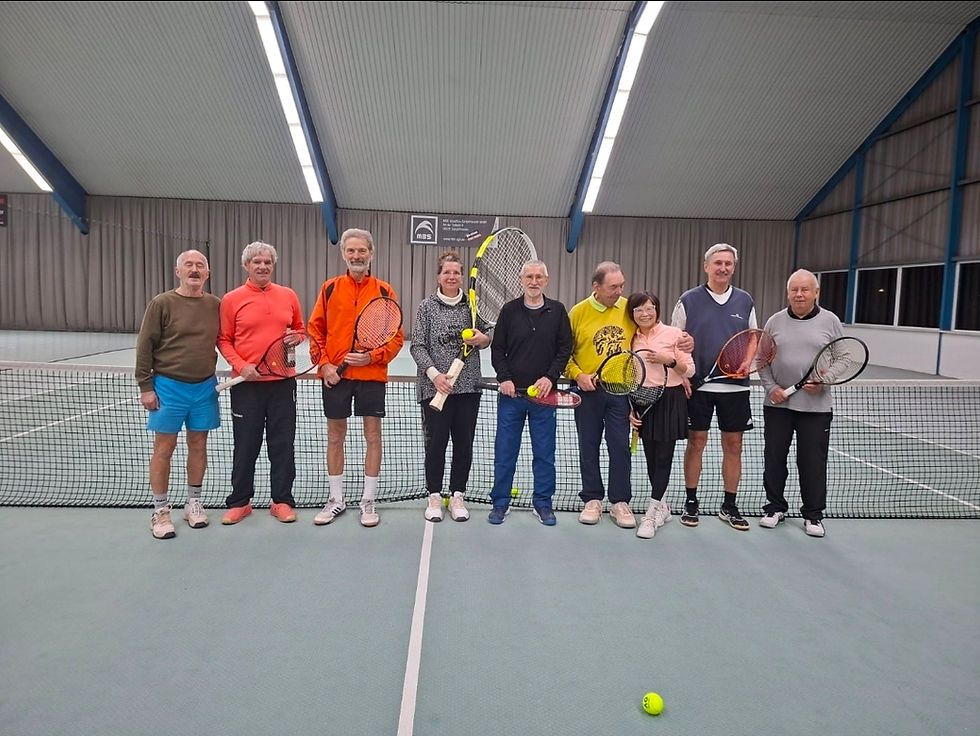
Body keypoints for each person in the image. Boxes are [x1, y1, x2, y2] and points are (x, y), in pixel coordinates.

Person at [307, 227, 404, 528]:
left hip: (372, 377)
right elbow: (315, 331)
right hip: (336, 376)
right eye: (351, 251)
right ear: (344, 254)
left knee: (373, 437)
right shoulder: (330, 288)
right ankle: (336, 499)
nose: (357, 255)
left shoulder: (385, 291)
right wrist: (324, 365)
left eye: (362, 250)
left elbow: (396, 338)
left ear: (371, 254)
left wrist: (371, 357)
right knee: (336, 437)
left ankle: (368, 500)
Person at [217, 241, 305, 525]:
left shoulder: (288, 295)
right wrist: (242, 366)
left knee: (282, 445)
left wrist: (297, 337)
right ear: (246, 266)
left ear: (273, 264)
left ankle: (282, 501)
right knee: (246, 445)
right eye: (257, 261)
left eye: (267, 261)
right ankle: (240, 502)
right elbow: (224, 339)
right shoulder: (231, 299)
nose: (263, 266)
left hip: (282, 383)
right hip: (246, 385)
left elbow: (300, 329)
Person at [671, 242, 757, 531]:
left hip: (736, 388)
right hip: (698, 387)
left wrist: (746, 362)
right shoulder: (689, 299)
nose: (723, 268)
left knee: (734, 446)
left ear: (733, 267)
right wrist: (683, 374)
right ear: (706, 266)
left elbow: (752, 337)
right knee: (696, 443)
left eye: (728, 264)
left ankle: (729, 505)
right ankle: (691, 501)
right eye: (718, 263)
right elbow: (675, 340)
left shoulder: (745, 300)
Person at [136, 249, 221, 540]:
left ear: (207, 274)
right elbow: (145, 345)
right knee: (164, 448)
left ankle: (193, 503)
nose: (194, 269)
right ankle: (160, 510)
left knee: (198, 445)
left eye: (200, 265)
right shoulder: (162, 303)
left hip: (204, 387)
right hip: (168, 387)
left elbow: (230, 340)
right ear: (178, 272)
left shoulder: (215, 305)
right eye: (189, 265)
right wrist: (145, 386)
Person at [757, 270, 843, 538]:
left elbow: (844, 358)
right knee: (774, 459)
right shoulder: (774, 321)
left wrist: (825, 380)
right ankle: (774, 508)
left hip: (815, 409)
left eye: (805, 289)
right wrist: (772, 389)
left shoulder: (830, 321)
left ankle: (813, 515)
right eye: (794, 289)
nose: (799, 294)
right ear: (788, 293)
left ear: (816, 293)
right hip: (778, 407)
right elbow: (762, 359)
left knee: (812, 462)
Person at [487, 259, 572, 525]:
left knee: (545, 454)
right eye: (529, 277)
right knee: (505, 452)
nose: (534, 282)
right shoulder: (509, 310)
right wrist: (505, 379)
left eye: (539, 277)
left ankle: (543, 503)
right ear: (521, 280)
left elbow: (564, 348)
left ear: (546, 280)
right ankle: (500, 503)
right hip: (512, 397)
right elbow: (498, 349)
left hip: (545, 398)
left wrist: (550, 377)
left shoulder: (557, 311)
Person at [410, 250, 491, 522]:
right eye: (447, 272)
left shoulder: (472, 305)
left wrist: (482, 339)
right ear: (439, 276)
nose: (452, 276)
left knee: (463, 444)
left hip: (468, 388)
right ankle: (434, 495)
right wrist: (435, 376)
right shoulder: (426, 306)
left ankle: (457, 496)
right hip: (435, 388)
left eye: (457, 272)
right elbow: (418, 346)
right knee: (436, 445)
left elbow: (486, 336)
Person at [626, 291, 693, 539]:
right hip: (641, 400)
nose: (645, 313)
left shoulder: (675, 335)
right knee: (651, 458)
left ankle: (651, 513)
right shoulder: (630, 337)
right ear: (632, 314)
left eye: (650, 308)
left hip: (670, 399)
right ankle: (663, 505)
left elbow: (690, 369)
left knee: (663, 458)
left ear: (657, 309)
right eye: (639, 310)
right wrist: (630, 409)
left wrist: (670, 361)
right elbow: (628, 374)